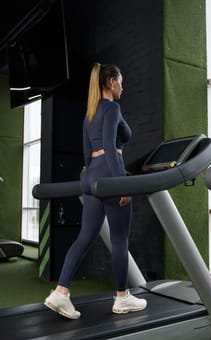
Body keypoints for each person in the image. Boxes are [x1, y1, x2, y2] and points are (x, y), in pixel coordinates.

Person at [44, 63, 147, 319]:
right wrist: (120, 181)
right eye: (120, 81)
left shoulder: (89, 113)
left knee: (85, 237)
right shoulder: (112, 107)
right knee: (120, 239)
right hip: (110, 174)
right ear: (111, 81)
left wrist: (92, 182)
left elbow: (88, 154)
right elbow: (112, 149)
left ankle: (60, 292)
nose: (123, 86)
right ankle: (122, 298)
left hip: (90, 177)